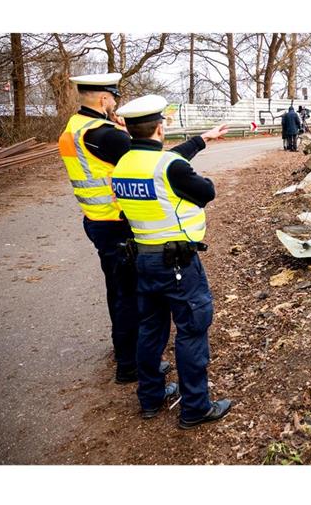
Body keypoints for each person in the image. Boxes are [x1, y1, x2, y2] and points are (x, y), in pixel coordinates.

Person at [58, 73, 198, 384]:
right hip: (118, 224)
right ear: (104, 99)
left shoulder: (75, 128)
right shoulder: (107, 135)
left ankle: (124, 350)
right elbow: (156, 166)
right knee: (129, 295)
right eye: (114, 99)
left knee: (117, 290)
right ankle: (130, 364)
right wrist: (199, 142)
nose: (116, 104)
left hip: (95, 219)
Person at [111, 94, 231, 427]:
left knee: (150, 331)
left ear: (130, 129)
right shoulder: (171, 167)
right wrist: (199, 174)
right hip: (177, 264)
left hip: (142, 261)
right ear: (161, 128)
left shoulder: (123, 165)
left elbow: (160, 163)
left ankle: (150, 399)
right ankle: (195, 408)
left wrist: (202, 139)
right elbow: (205, 192)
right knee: (191, 330)